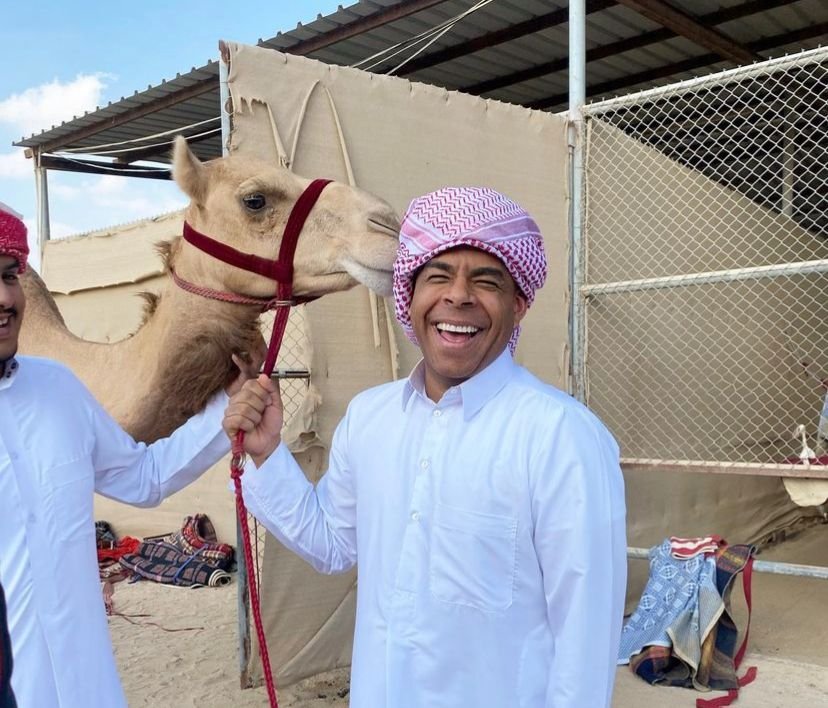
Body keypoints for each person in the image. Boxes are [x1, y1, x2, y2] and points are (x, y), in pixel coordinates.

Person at [223, 187, 627, 707]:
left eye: (486, 280)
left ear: (519, 305)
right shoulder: (370, 418)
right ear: (408, 298)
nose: (457, 296)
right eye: (437, 276)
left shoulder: (562, 437)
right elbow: (331, 544)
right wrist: (266, 452)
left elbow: (585, 638)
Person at [0, 202, 257, 707]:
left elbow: (142, 476)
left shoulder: (57, 388)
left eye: (10, 275)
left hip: (84, 681)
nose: (5, 297)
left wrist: (226, 412)